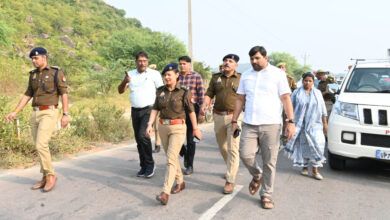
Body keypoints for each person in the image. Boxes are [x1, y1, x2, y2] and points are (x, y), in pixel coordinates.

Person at [231, 46, 296, 209]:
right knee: (245, 155)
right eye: (252, 58)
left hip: (271, 125)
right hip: (250, 124)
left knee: (269, 162)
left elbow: (286, 99)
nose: (254, 61)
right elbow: (240, 99)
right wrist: (234, 121)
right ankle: (256, 174)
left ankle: (266, 194)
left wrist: (290, 121)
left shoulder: (278, 75)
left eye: (257, 58)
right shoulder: (246, 75)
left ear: (266, 58)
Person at [5, 47, 69, 192]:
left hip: (49, 112)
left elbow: (64, 93)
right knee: (39, 147)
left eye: (36, 58)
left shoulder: (56, 72)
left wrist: (66, 114)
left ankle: (51, 175)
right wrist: (15, 111)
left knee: (41, 144)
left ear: (44, 57)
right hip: (35, 113)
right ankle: (45, 176)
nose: (34, 61)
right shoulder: (33, 75)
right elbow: (28, 94)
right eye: (32, 59)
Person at [146, 63, 202, 205]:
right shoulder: (160, 91)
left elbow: (191, 111)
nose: (167, 77)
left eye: (169, 74)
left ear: (177, 75)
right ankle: (181, 181)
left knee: (171, 158)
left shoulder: (184, 92)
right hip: (163, 126)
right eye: (165, 75)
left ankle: (165, 192)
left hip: (178, 128)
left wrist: (195, 129)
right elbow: (155, 109)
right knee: (171, 157)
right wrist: (149, 124)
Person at [118, 51, 163, 178]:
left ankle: (150, 164)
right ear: (136, 62)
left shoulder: (154, 74)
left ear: (147, 61)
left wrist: (161, 108)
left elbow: (161, 91)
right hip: (135, 110)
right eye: (140, 61)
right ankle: (143, 165)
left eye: (144, 61)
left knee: (143, 136)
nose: (142, 63)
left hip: (149, 109)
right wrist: (124, 81)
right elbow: (120, 91)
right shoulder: (130, 74)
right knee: (139, 140)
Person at [201, 54, 241, 194]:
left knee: (232, 148)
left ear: (236, 65)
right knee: (222, 146)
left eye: (230, 61)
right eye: (225, 60)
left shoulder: (241, 78)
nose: (227, 63)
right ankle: (232, 167)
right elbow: (209, 94)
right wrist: (204, 105)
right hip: (218, 116)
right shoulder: (215, 77)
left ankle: (230, 180)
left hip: (234, 117)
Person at [284, 73, 328, 180]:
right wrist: (288, 123)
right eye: (305, 81)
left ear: (313, 82)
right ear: (302, 81)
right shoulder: (296, 93)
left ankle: (315, 170)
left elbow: (323, 109)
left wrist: (325, 123)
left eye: (310, 81)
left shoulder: (317, 93)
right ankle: (304, 167)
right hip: (300, 125)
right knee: (303, 146)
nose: (307, 83)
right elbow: (291, 108)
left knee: (318, 145)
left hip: (315, 125)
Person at [178, 56, 205, 175]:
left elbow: (202, 95)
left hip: (192, 110)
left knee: (191, 139)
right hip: (178, 111)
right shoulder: (176, 76)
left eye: (184, 64)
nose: (182, 66)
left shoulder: (196, 76)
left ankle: (190, 165)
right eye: (180, 64)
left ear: (189, 64)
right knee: (176, 136)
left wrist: (201, 112)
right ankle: (184, 152)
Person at [149, 64, 161, 153]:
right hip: (148, 105)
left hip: (157, 106)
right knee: (148, 126)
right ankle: (147, 145)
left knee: (157, 127)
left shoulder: (158, 79)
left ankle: (157, 145)